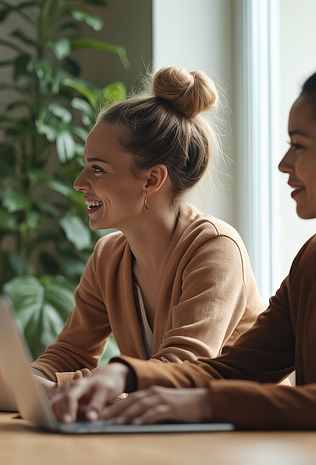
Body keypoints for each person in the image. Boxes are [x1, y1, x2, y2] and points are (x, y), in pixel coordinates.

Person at [50, 70, 316, 430]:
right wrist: (124, 375)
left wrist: (201, 402)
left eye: (298, 145)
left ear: (153, 180)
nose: (283, 163)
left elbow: (199, 370)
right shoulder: (310, 259)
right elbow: (236, 371)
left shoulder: (215, 246)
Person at [30, 66, 265, 392]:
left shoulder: (215, 248)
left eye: (97, 169)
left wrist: (63, 386)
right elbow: (70, 354)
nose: (79, 183)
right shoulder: (108, 257)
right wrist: (25, 380)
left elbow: (183, 369)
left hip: (244, 435)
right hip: (169, 430)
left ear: (152, 180)